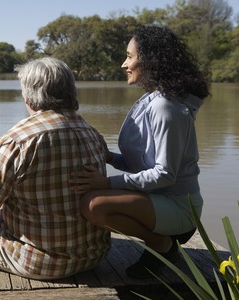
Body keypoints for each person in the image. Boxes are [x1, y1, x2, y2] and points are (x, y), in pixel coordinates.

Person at [0, 57, 111, 280]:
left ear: (28, 95)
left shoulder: (18, 140)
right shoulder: (92, 134)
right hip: (94, 256)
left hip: (41, 263)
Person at [70, 25, 210, 279]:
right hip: (158, 201)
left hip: (180, 208)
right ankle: (161, 244)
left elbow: (165, 175)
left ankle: (161, 244)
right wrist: (111, 158)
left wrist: (106, 182)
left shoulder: (165, 107)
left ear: (150, 60)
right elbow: (145, 165)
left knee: (94, 204)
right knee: (92, 198)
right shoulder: (155, 99)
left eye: (130, 56)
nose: (124, 64)